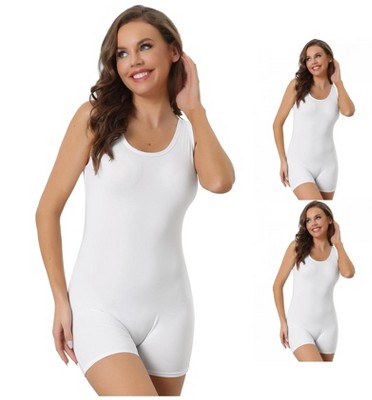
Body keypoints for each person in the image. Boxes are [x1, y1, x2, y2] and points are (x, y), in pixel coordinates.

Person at [36, 5, 235, 396]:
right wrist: (60, 300)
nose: (134, 61)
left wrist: (195, 109)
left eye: (145, 46)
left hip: (171, 315)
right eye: (122, 53)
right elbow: (47, 210)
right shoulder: (94, 119)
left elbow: (220, 181)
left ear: (173, 51)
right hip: (98, 308)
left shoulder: (190, 132)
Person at [273, 39, 355, 200]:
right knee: (314, 206)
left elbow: (349, 111)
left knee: (324, 210)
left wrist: (338, 81)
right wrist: (283, 160)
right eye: (308, 58)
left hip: (328, 165)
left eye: (318, 56)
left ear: (329, 58)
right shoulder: (297, 86)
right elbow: (277, 124)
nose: (313, 62)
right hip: (299, 163)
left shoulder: (336, 90)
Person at [273, 201, 355, 361]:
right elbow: (277, 285)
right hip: (299, 325)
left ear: (329, 219)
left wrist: (338, 243)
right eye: (308, 220)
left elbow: (349, 273)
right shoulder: (297, 247)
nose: (313, 223)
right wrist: (283, 321)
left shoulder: (336, 251)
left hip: (328, 328)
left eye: (317, 217)